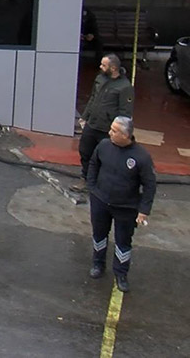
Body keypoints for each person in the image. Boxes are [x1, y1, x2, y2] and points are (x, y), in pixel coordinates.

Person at [87, 116, 155, 292]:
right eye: (111, 129)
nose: (110, 133)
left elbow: (149, 185)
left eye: (114, 131)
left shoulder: (141, 157)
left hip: (126, 208)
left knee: (123, 242)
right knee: (99, 235)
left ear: (126, 135)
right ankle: (98, 264)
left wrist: (144, 210)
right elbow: (93, 164)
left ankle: (121, 274)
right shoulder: (103, 146)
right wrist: (93, 188)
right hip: (100, 201)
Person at [75, 54, 134, 191]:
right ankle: (85, 178)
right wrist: (84, 117)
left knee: (105, 156)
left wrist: (118, 131)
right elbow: (93, 98)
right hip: (92, 123)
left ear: (113, 68)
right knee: (85, 151)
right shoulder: (100, 79)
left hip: (107, 129)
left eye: (104, 65)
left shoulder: (125, 87)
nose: (100, 67)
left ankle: (101, 182)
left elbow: (125, 112)